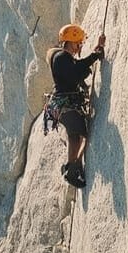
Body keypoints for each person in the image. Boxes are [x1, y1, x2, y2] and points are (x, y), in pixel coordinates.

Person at [43, 24, 105, 188]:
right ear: (71, 42)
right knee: (84, 134)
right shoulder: (62, 57)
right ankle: (73, 169)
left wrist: (94, 54)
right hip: (66, 106)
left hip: (61, 107)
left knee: (73, 136)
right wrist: (95, 56)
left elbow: (75, 70)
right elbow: (76, 72)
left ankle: (70, 166)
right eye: (78, 42)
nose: (80, 45)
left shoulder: (61, 57)